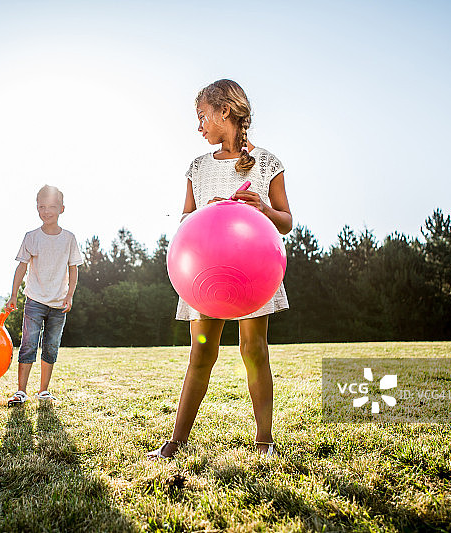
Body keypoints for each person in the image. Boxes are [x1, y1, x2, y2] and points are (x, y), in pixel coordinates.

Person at [148, 79, 292, 459]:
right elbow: (185, 221)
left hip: (252, 272)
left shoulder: (268, 162)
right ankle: (175, 442)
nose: (199, 127)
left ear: (223, 111)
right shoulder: (197, 167)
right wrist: (207, 212)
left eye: (202, 117)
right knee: (201, 354)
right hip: (204, 275)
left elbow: (287, 221)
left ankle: (264, 442)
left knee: (254, 349)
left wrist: (261, 209)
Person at [4, 185, 82, 406]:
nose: (46, 211)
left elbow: (73, 268)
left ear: (62, 209)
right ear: (37, 208)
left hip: (59, 304)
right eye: (42, 207)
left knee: (51, 346)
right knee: (28, 343)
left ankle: (43, 391)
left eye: (52, 207)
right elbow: (21, 267)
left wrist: (70, 295)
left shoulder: (69, 238)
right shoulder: (31, 237)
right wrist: (12, 296)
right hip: (34, 300)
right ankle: (21, 391)